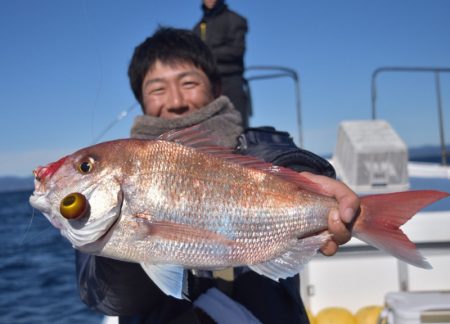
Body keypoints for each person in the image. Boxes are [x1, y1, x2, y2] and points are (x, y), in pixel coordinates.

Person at [76, 27, 360, 323]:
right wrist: (126, 229)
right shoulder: (110, 175)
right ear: (141, 99)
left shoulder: (254, 145)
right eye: (157, 89)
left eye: (188, 83)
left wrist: (306, 180)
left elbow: (278, 158)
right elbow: (103, 295)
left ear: (217, 87)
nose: (175, 101)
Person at [193, 0, 251, 128]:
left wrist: (205, 53)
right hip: (207, 85)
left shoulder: (235, 20)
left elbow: (237, 50)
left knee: (238, 130)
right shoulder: (198, 28)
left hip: (231, 83)